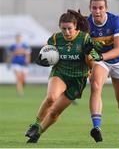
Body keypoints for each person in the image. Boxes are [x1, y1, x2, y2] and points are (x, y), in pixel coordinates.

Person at [25, 9, 99, 143]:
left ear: (75, 26)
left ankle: (38, 134)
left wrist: (89, 55)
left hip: (78, 79)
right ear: (60, 27)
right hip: (60, 73)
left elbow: (94, 62)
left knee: (54, 113)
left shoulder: (85, 38)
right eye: (63, 29)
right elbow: (46, 53)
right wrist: (42, 59)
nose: (67, 32)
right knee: (51, 98)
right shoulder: (55, 38)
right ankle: (35, 125)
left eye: (69, 28)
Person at [87, 0, 119, 142]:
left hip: (118, 60)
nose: (97, 11)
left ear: (106, 8)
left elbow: (118, 50)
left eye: (101, 7)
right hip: (101, 61)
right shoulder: (87, 23)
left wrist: (100, 57)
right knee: (95, 85)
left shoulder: (115, 20)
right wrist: (91, 63)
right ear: (90, 9)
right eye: (94, 7)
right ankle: (96, 127)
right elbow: (87, 48)